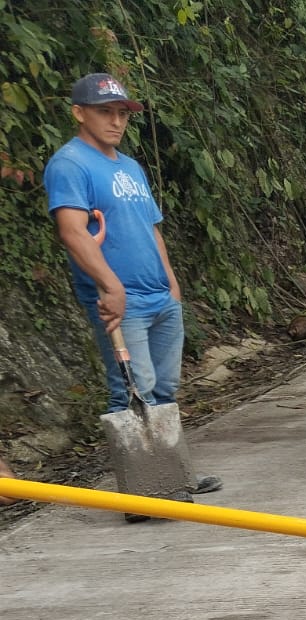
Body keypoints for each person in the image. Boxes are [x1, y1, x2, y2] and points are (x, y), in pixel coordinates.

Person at [42, 73, 221, 495]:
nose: (116, 121)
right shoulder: (69, 164)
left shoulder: (131, 166)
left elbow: (152, 229)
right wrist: (111, 286)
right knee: (130, 392)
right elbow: (72, 232)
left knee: (163, 390)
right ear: (79, 113)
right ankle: (144, 490)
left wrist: (172, 285)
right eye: (105, 112)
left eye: (122, 113)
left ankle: (172, 476)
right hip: (122, 303)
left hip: (159, 296)